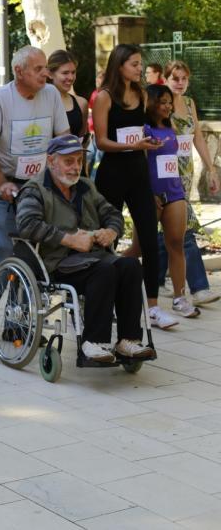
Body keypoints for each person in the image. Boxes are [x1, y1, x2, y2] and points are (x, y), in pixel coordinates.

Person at [16, 135, 154, 361]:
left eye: (79, 161)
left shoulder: (86, 187)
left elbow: (112, 214)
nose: (75, 167)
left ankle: (128, 341)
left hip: (92, 256)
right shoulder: (35, 190)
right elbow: (26, 225)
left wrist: (111, 231)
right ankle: (93, 342)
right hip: (57, 262)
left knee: (130, 266)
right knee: (104, 271)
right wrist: (69, 239)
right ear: (51, 161)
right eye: (68, 161)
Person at [0, 46, 70, 340]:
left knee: (31, 252)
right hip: (1, 182)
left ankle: (18, 322)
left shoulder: (51, 95)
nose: (46, 73)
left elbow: (62, 138)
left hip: (36, 185)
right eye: (39, 69)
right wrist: (1, 182)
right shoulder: (0, 100)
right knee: (7, 250)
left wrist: (66, 176)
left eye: (46, 68)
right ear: (19, 71)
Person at [93, 44, 177, 330]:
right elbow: (100, 142)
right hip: (112, 175)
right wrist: (132, 145)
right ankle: (104, 300)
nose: (140, 69)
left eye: (141, 64)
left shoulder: (141, 95)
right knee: (109, 240)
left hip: (139, 175)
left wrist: (148, 145)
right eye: (134, 64)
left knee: (150, 241)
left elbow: (142, 134)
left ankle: (153, 307)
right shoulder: (104, 97)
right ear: (119, 66)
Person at [127, 84, 198, 318]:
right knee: (139, 248)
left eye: (170, 102)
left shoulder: (171, 128)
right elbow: (139, 165)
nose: (168, 106)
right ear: (151, 103)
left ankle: (180, 298)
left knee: (176, 243)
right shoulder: (144, 129)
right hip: (151, 196)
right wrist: (148, 193)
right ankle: (107, 270)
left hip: (175, 193)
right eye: (163, 102)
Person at [162, 60, 220, 306]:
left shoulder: (189, 103)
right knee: (184, 229)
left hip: (185, 174)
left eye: (184, 78)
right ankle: (198, 287)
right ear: (165, 79)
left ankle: (153, 282)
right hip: (166, 173)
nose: (179, 83)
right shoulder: (159, 102)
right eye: (175, 78)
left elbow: (197, 137)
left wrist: (211, 169)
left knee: (165, 232)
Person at [47, 50, 88, 141]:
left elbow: (82, 141)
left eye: (73, 72)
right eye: (65, 73)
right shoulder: (40, 102)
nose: (70, 78)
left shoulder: (81, 103)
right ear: (50, 74)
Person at [85, 71, 105, 178]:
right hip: (93, 133)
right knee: (90, 156)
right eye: (96, 79)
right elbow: (90, 114)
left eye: (100, 79)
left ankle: (94, 182)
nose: (97, 81)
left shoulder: (106, 95)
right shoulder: (94, 94)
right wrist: (91, 129)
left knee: (98, 159)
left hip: (101, 134)